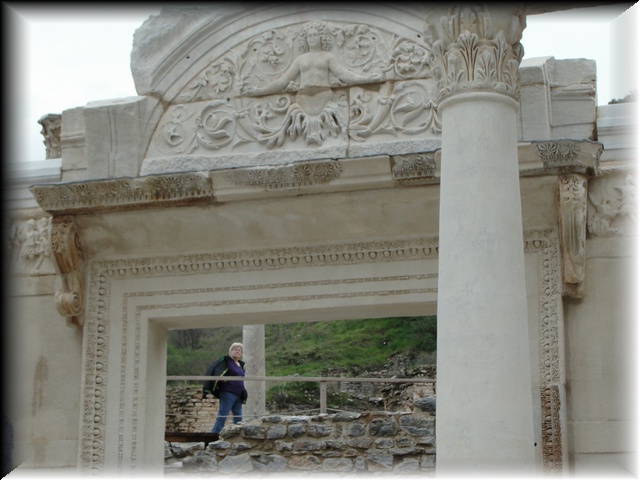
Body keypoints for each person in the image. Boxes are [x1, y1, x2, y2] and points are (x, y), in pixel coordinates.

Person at [205, 343, 248, 434]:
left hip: (239, 394)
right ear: (231, 351)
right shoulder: (226, 361)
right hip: (228, 393)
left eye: (239, 350)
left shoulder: (241, 364)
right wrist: (221, 378)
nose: (237, 351)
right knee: (222, 416)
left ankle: (236, 436)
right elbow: (216, 370)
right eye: (235, 349)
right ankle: (213, 436)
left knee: (238, 417)